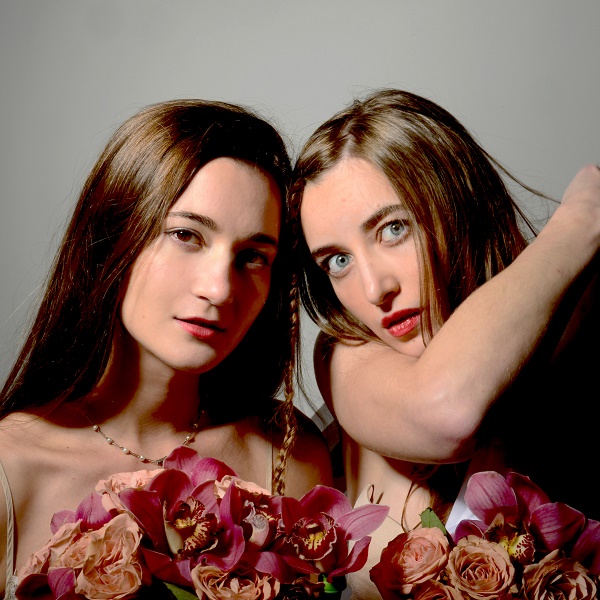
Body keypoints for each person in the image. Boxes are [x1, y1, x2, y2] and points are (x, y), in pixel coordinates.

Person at [0, 99, 333, 597]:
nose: (219, 289)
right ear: (112, 238)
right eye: (185, 235)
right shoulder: (10, 470)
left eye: (252, 257)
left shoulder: (289, 453)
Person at [289, 89, 600, 599]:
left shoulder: (575, 331)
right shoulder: (348, 353)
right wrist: (582, 219)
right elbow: (447, 412)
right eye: (338, 261)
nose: (375, 289)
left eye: (393, 229)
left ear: (459, 202)